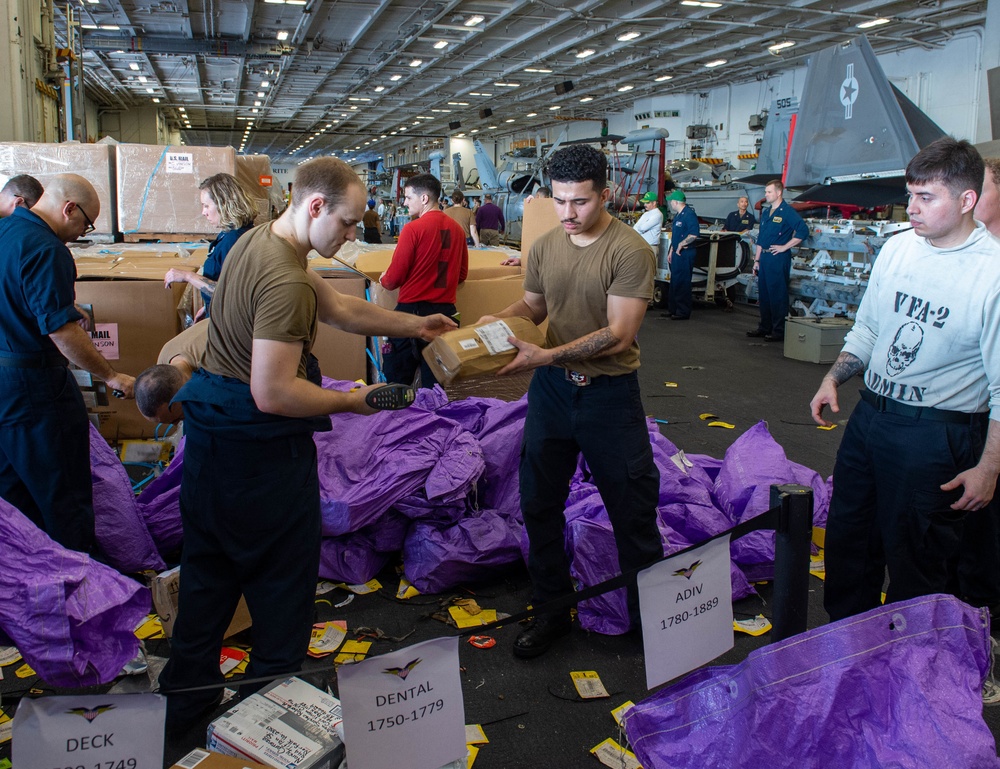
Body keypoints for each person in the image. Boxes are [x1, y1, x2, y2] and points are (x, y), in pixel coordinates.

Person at [156, 158, 456, 734]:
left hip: (212, 442)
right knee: (280, 586)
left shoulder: (258, 241)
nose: (351, 236)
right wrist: (354, 400)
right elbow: (273, 392)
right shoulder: (286, 279)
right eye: (347, 223)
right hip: (260, 453)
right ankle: (268, 716)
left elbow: (342, 308)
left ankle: (182, 708)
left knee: (207, 580)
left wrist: (416, 327)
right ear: (314, 206)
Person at [479, 144, 662, 658]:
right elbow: (534, 305)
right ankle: (552, 609)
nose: (568, 214)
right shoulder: (544, 246)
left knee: (632, 514)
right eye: (559, 201)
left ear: (605, 195)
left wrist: (543, 356)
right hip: (554, 396)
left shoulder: (629, 251)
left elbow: (619, 334)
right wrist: (499, 322)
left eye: (579, 203)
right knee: (538, 504)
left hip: (608, 396)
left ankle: (651, 625)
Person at [809, 137, 1000, 623]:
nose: (910, 209)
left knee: (918, 560)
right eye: (910, 195)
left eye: (925, 198)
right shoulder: (898, 248)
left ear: (966, 201)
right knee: (850, 542)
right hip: (871, 418)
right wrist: (834, 378)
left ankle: (911, 670)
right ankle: (848, 650)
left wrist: (988, 468)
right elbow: (870, 327)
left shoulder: (991, 274)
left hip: (937, 433)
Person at [0, 173, 135, 553]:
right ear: (68, 208)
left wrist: (59, 305)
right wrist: (110, 376)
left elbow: (16, 294)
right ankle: (84, 586)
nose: (81, 233)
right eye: (86, 224)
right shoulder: (47, 248)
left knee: (15, 492)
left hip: (4, 383)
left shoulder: (5, 232)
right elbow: (63, 334)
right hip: (35, 389)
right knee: (64, 494)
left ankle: (32, 576)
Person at [379, 173, 469, 388]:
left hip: (412, 316)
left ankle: (400, 420)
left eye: (408, 198)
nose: (405, 203)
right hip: (446, 315)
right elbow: (462, 275)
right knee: (436, 385)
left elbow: (394, 279)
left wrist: (384, 279)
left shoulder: (413, 229)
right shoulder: (456, 230)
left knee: (398, 381)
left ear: (425, 199)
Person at [164, 173, 257, 319]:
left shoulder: (234, 241)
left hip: (228, 323)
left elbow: (229, 294)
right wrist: (208, 307)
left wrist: (188, 276)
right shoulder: (229, 233)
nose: (204, 212)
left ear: (223, 204)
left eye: (206, 206)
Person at [746, 180, 808, 341]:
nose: (765, 195)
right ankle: (765, 327)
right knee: (764, 294)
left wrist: (784, 247)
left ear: (778, 193)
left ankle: (779, 331)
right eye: (766, 192)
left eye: (768, 192)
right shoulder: (766, 213)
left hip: (778, 257)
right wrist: (756, 260)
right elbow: (762, 238)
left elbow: (803, 230)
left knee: (777, 294)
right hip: (765, 257)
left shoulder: (787, 212)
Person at [135, 321, 209, 424]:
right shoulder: (164, 360)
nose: (175, 424)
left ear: (182, 394)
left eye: (177, 418)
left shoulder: (214, 365)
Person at [665, 189, 700, 321]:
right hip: (676, 253)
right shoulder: (678, 216)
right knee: (674, 282)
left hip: (685, 253)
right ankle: (673, 309)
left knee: (683, 282)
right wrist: (671, 251)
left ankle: (683, 311)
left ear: (676, 202)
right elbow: (676, 235)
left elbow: (693, 234)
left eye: (671, 202)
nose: (671, 205)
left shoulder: (689, 215)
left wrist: (680, 245)